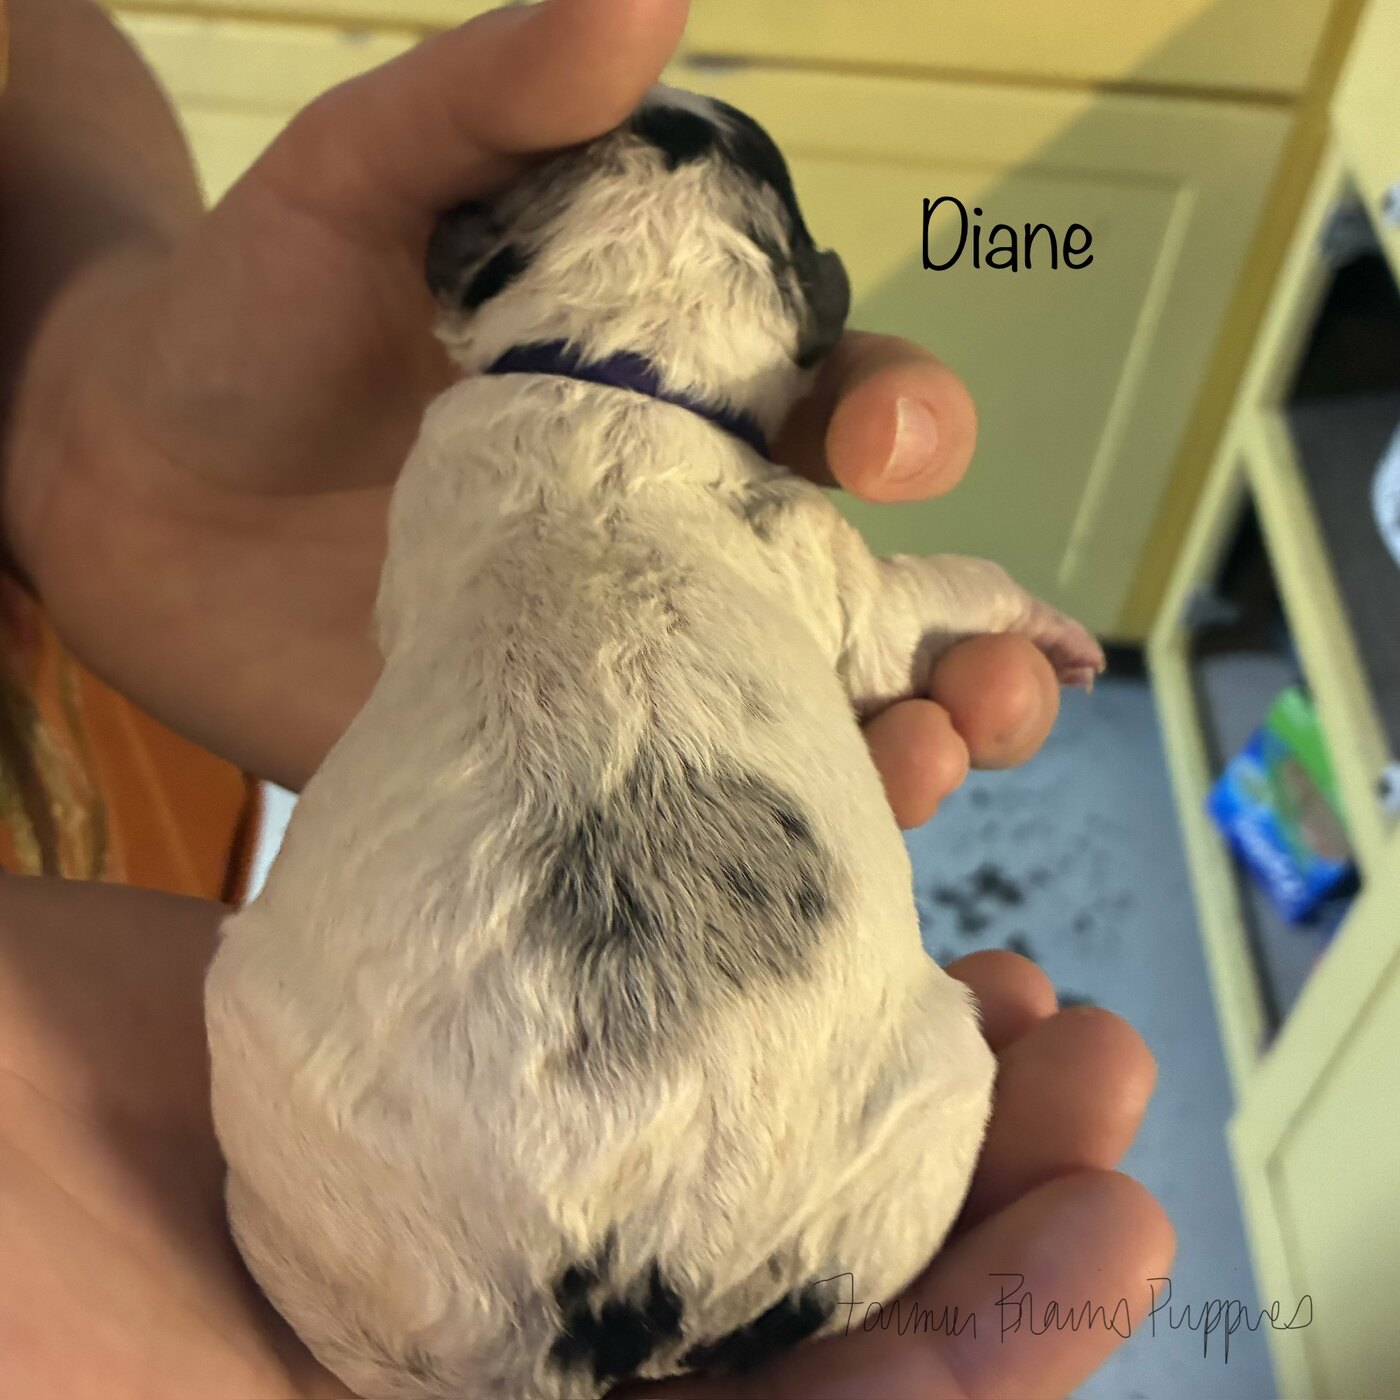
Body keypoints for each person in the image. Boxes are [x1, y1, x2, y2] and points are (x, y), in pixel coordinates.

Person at [0, 0, 1173, 1395]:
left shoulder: (442, 483)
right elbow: (906, 625)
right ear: (802, 319)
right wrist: (1022, 614)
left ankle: (396, 1314)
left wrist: (78, 427)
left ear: (468, 287)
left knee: (275, 1011)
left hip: (391, 1231)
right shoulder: (774, 528)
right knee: (945, 1055)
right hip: (766, 1238)